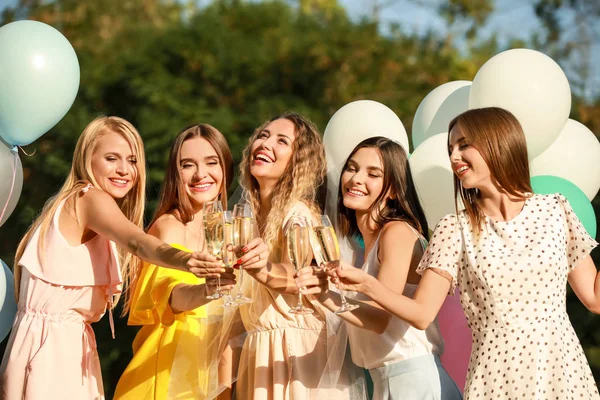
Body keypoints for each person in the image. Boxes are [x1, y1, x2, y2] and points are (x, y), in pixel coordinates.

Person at [330, 107, 600, 398]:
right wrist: (367, 284)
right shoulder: (453, 228)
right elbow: (421, 314)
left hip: (561, 370)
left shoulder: (555, 209)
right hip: (496, 378)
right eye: (451, 148)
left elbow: (595, 299)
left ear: (498, 142)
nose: (454, 157)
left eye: (464, 145)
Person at [0, 116, 226, 400]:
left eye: (132, 160)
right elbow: (138, 242)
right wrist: (185, 260)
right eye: (111, 158)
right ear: (87, 158)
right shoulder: (89, 198)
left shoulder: (82, 206)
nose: (124, 170)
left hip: (62, 347)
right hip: (52, 352)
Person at [296, 136, 462, 400]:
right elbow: (374, 318)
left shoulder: (395, 232)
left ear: (394, 190)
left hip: (412, 381)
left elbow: (380, 319)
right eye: (352, 168)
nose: (356, 179)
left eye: (373, 174)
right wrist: (323, 295)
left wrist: (334, 294)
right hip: (387, 382)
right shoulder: (368, 248)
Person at [232, 112, 364, 399]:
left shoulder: (297, 214)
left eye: (282, 141)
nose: (265, 144)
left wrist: (260, 268)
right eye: (263, 136)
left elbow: (294, 277)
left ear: (297, 161)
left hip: (294, 350)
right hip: (260, 350)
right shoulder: (247, 217)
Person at [114, 123, 250, 399]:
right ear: (176, 174)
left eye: (211, 162)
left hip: (213, 381)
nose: (201, 174)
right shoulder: (169, 228)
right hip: (166, 377)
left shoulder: (232, 232)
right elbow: (173, 297)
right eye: (188, 165)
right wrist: (208, 289)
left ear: (225, 167)